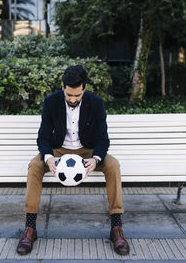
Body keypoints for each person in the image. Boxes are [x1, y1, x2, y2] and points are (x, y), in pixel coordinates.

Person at [16, 65, 130, 256]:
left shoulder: (96, 103)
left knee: (113, 165)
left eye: (77, 95)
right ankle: (30, 228)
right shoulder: (51, 102)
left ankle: (116, 228)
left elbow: (103, 139)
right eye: (69, 94)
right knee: (35, 165)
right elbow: (43, 137)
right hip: (59, 150)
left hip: (87, 150)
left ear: (84, 88)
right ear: (63, 87)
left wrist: (95, 158)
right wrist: (50, 158)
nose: (72, 99)